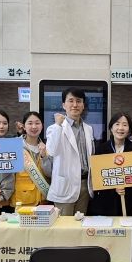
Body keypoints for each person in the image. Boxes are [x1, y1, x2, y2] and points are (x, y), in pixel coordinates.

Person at [45, 88, 94, 216]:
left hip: (85, 185)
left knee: (80, 224)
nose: (75, 105)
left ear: (83, 105)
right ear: (63, 105)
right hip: (65, 186)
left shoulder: (88, 129)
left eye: (78, 101)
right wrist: (58, 126)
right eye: (71, 101)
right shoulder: (54, 128)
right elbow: (51, 151)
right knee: (64, 225)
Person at [89, 112, 132, 216]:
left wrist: (126, 187)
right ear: (111, 128)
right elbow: (98, 178)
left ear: (129, 130)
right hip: (106, 203)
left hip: (128, 202)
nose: (120, 128)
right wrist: (114, 187)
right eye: (117, 124)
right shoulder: (101, 149)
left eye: (125, 125)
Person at [10, 111, 53, 208]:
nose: (34, 127)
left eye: (37, 123)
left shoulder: (47, 147)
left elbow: (50, 174)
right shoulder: (15, 146)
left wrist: (44, 156)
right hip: (22, 201)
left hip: (43, 202)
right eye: (30, 123)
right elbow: (8, 175)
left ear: (42, 126)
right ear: (24, 127)